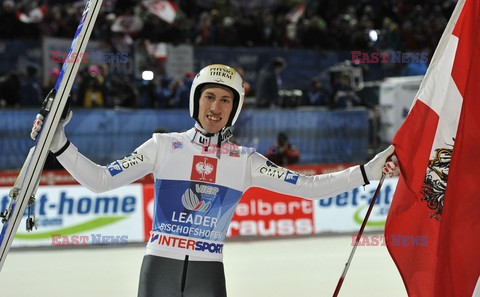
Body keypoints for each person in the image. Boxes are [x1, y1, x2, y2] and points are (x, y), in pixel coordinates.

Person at [31, 64, 399, 297]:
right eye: (209, 96)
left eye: (226, 100)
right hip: (159, 268)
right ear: (197, 101)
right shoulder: (163, 146)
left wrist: (367, 171)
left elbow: (310, 188)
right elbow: (99, 181)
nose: (216, 107)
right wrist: (60, 144)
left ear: (234, 109)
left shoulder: (245, 161)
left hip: (208, 274)